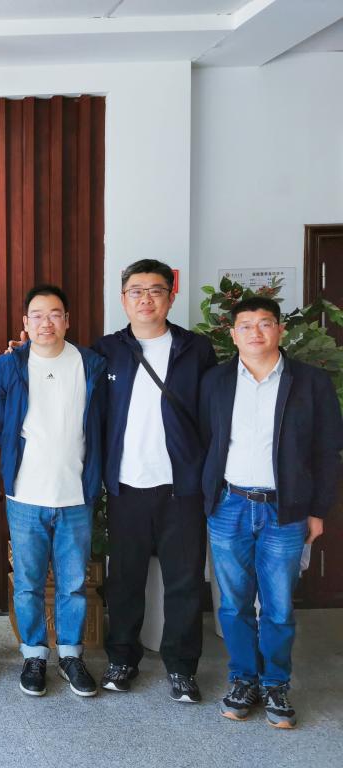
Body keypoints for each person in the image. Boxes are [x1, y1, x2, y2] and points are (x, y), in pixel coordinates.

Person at [199, 296, 342, 728]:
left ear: (280, 329)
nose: (256, 332)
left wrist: (318, 510)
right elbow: (206, 440)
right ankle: (243, 679)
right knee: (233, 604)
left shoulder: (310, 382)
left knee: (278, 606)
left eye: (265, 323)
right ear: (233, 334)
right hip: (229, 506)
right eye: (246, 325)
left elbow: (328, 451)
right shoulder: (215, 381)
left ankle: (276, 683)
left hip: (286, 508)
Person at [93, 259, 218, 703]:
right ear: (123, 298)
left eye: (156, 290)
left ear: (171, 296)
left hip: (181, 487)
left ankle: (182, 668)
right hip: (126, 486)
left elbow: (212, 414)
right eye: (136, 291)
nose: (146, 299)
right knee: (125, 579)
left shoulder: (196, 349)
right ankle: (122, 659)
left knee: (184, 581)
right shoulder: (107, 350)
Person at [0, 286, 106, 697]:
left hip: (76, 494)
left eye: (55, 314)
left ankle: (71, 654)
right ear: (25, 323)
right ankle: (34, 655)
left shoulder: (90, 364)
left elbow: (100, 423)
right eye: (37, 315)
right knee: (28, 582)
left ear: (67, 320)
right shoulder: (9, 365)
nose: (46, 323)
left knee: (72, 583)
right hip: (25, 495)